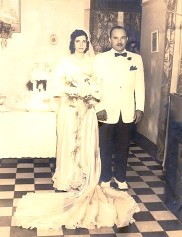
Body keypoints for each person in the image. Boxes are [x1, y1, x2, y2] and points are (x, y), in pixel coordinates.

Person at [14, 29, 140, 230]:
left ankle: (84, 178)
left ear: (88, 43)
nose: (81, 44)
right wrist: (73, 92)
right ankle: (68, 179)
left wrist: (90, 95)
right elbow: (57, 85)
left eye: (84, 41)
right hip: (70, 109)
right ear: (72, 43)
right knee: (70, 143)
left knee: (86, 143)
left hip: (87, 110)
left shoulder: (94, 62)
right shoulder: (65, 61)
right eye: (78, 41)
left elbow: (100, 85)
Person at [94, 26, 145, 190]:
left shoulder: (136, 59)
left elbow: (140, 85)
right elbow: (95, 85)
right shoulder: (100, 59)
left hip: (128, 110)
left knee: (124, 146)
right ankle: (106, 177)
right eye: (115, 38)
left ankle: (121, 177)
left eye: (122, 37)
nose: (119, 41)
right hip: (106, 110)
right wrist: (98, 107)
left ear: (127, 39)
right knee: (106, 146)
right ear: (110, 40)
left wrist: (140, 108)